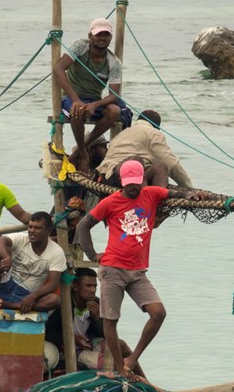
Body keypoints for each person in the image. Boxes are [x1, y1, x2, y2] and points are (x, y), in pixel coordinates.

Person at [74, 159, 200, 378]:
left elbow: (173, 193)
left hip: (138, 271)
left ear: (142, 180)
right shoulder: (110, 202)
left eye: (137, 182)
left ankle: (131, 360)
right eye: (129, 183)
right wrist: (93, 255)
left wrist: (191, 195)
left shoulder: (151, 194)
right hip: (113, 269)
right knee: (111, 320)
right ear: (123, 181)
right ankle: (120, 368)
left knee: (158, 313)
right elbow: (84, 225)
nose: (133, 187)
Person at [53, 18, 130, 172]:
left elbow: (114, 94)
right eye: (98, 34)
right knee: (77, 111)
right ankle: (83, 154)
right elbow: (58, 68)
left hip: (94, 100)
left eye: (106, 35)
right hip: (72, 97)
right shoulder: (81, 46)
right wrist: (76, 100)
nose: (102, 38)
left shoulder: (114, 62)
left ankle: (80, 150)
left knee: (115, 111)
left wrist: (95, 105)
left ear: (110, 37)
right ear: (90, 35)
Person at [45, 267, 145, 376]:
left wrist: (98, 318)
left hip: (88, 341)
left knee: (121, 345)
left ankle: (145, 380)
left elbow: (107, 334)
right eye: (88, 286)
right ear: (76, 286)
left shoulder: (96, 303)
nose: (93, 290)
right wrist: (73, 339)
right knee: (111, 364)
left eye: (95, 286)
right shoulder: (64, 305)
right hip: (68, 348)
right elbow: (48, 332)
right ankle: (124, 376)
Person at [0, 211, 65, 313]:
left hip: (26, 295)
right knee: (2, 253)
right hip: (5, 284)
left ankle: (7, 305)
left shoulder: (56, 252)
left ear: (48, 230)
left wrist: (32, 297)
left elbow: (52, 284)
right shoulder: (22, 238)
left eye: (37, 228)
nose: (32, 231)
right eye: (30, 227)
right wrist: (7, 258)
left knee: (54, 300)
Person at [96, 110, 194, 189]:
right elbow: (171, 164)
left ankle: (152, 196)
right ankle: (151, 200)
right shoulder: (153, 133)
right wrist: (189, 188)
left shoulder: (123, 132)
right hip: (120, 175)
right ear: (156, 127)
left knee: (151, 165)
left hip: (104, 176)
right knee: (159, 167)